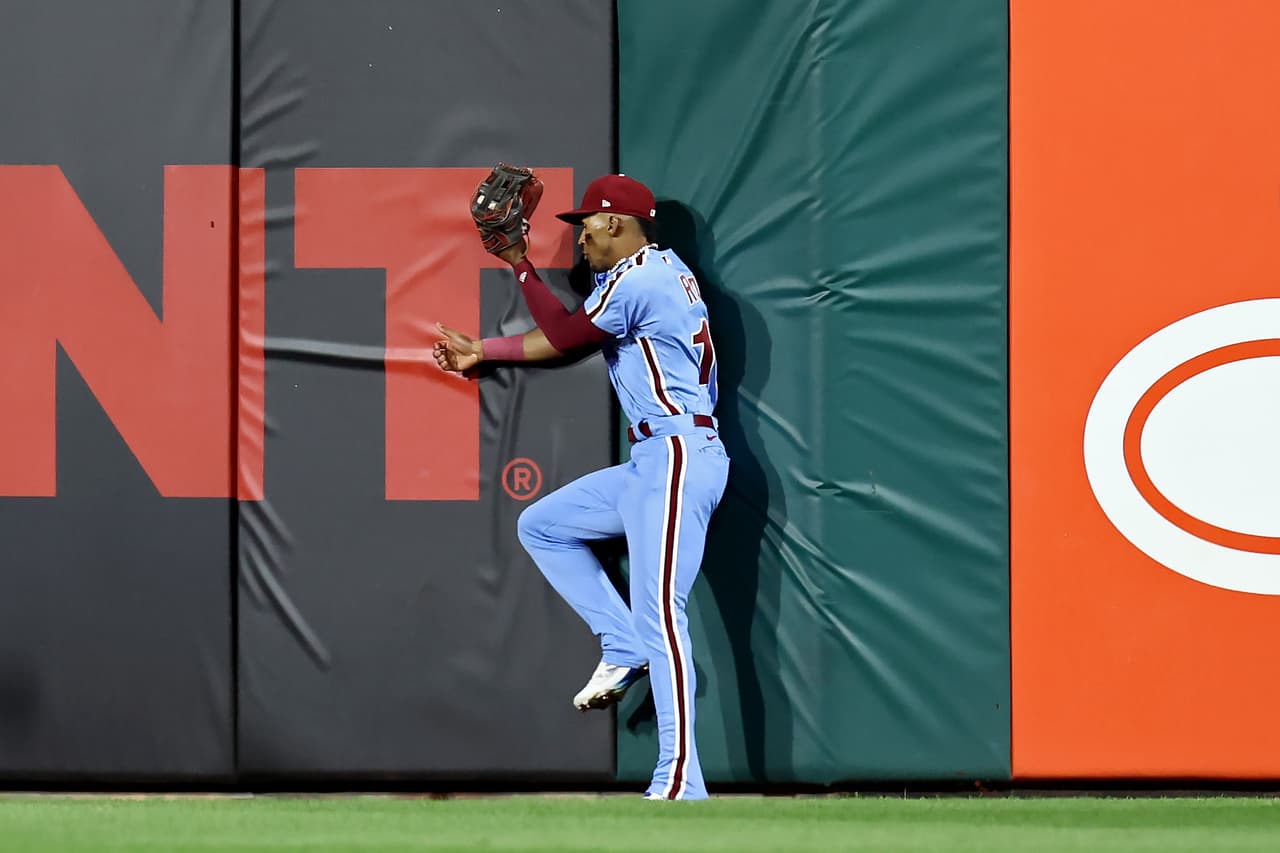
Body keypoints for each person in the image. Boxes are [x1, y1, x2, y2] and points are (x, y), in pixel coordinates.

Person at [432, 174, 729, 801]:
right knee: (543, 526)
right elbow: (568, 338)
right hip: (654, 457)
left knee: (662, 614)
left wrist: (515, 274)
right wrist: (494, 323)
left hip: (678, 452)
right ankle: (621, 643)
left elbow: (565, 339)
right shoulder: (652, 272)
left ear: (615, 223)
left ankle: (680, 778)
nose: (581, 237)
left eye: (586, 224)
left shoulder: (641, 278)